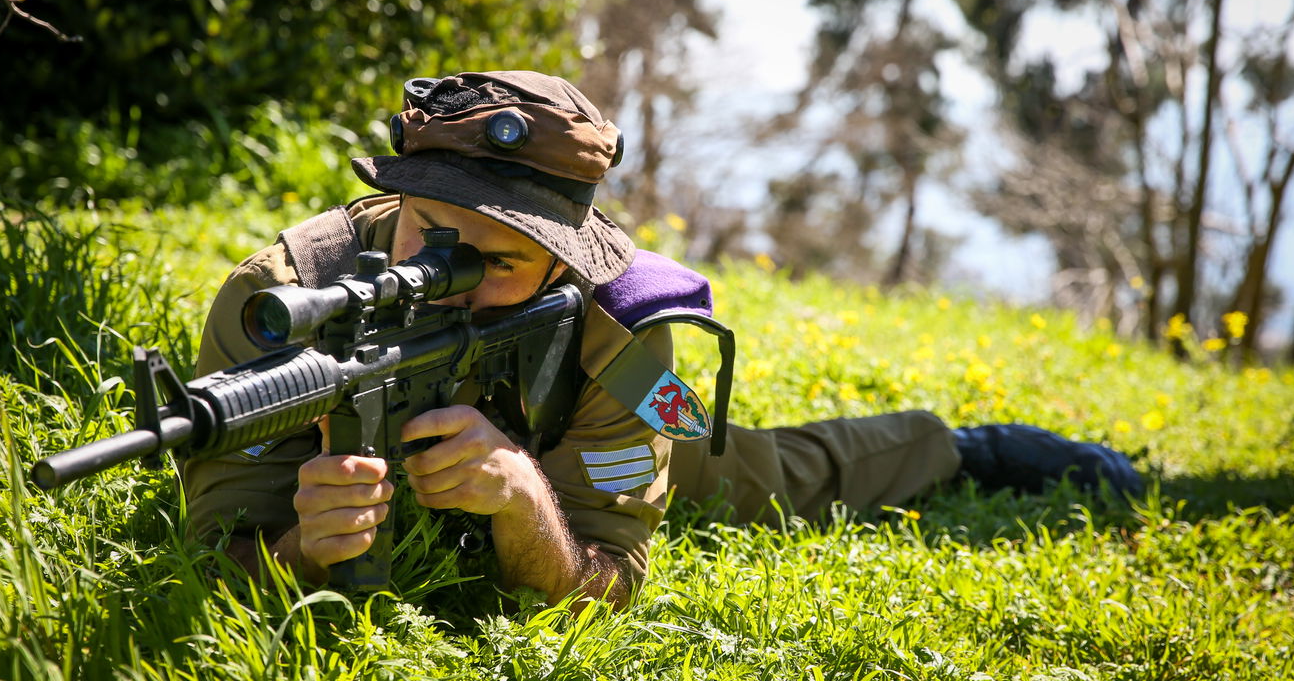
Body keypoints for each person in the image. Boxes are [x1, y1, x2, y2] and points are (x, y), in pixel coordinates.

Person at [184, 70, 1141, 611]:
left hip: (557, 425)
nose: (448, 271)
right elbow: (214, 550)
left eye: (501, 260)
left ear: (565, 263)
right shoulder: (281, 301)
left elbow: (611, 577)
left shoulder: (612, 333)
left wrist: (525, 505)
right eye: (426, 230)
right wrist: (299, 552)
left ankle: (960, 448)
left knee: (741, 469)